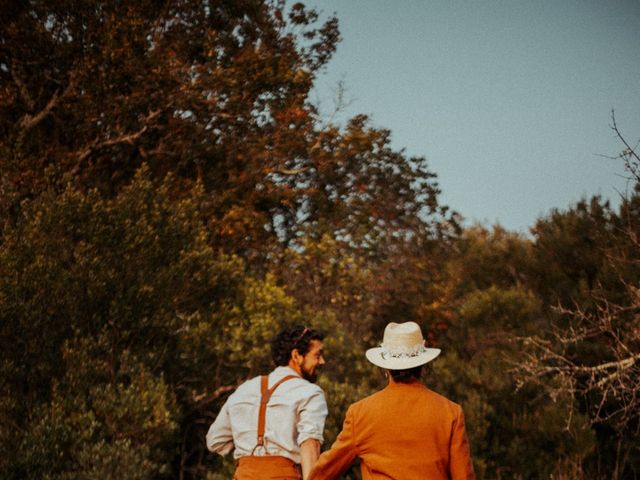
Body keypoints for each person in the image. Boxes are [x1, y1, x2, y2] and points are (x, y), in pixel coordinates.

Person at [309, 321, 476, 480]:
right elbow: (463, 476)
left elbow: (324, 473)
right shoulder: (451, 412)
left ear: (385, 368)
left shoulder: (360, 413)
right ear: (423, 366)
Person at [207, 325, 328, 480]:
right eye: (317, 355)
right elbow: (310, 444)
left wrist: (249, 452)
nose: (322, 361)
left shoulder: (244, 390)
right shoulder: (311, 392)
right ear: (296, 355)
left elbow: (215, 441)